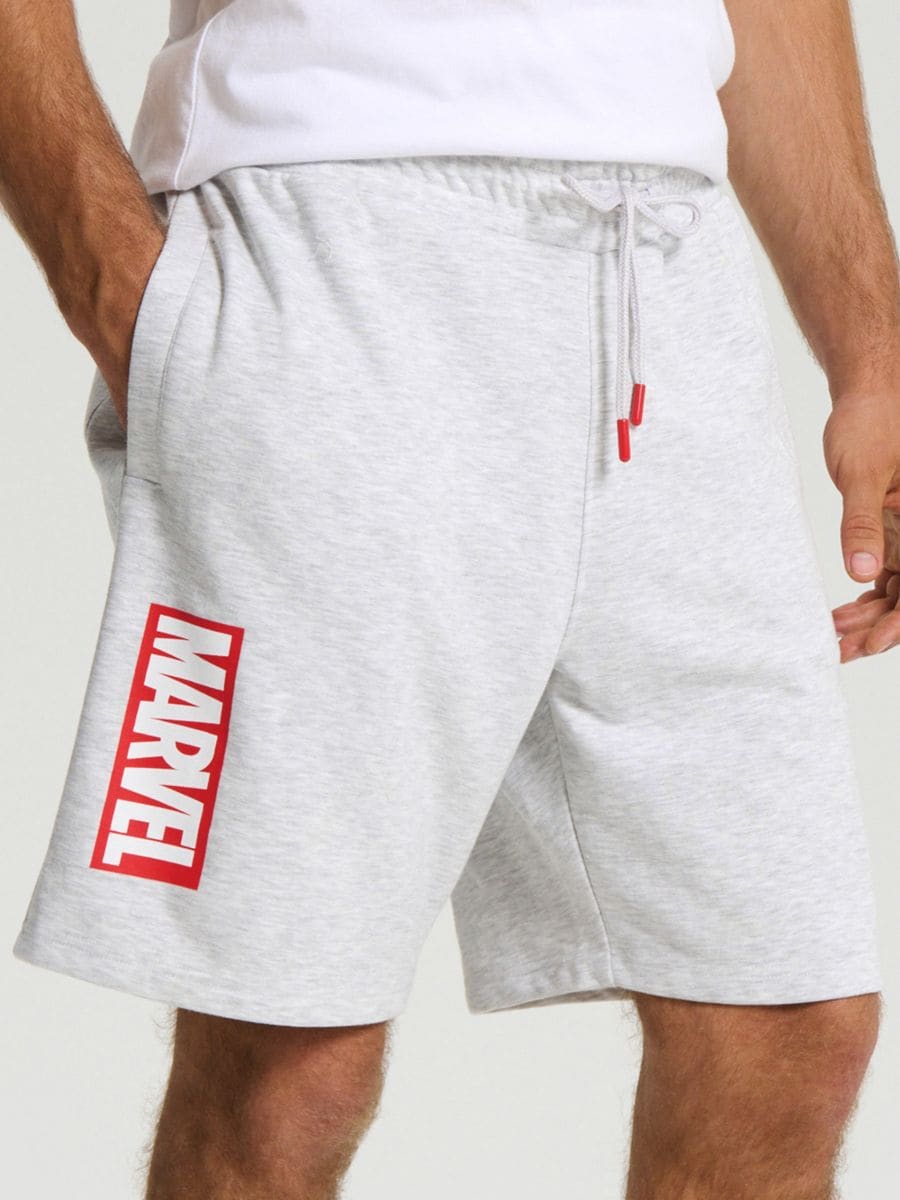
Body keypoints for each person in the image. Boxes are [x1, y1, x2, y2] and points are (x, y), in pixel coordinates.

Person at [3, 1, 897, 1197]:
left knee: (785, 1024)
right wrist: (112, 275)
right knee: (288, 1057)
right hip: (326, 238)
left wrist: (874, 354)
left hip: (667, 280)